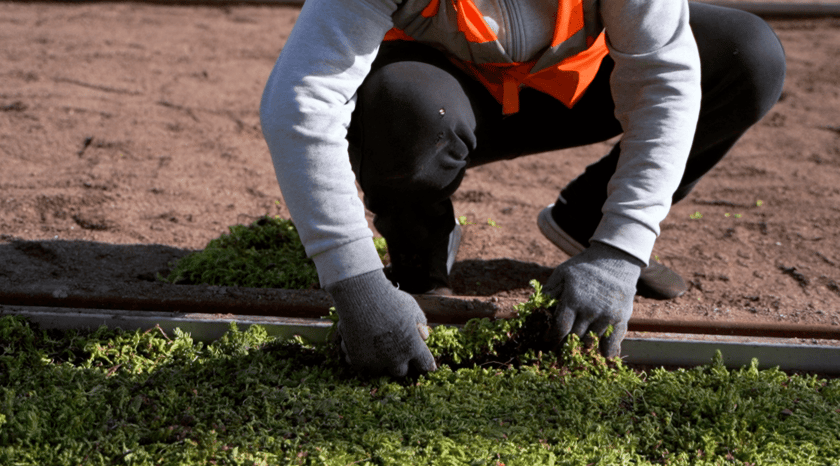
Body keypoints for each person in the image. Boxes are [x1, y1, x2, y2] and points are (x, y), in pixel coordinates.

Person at [260, 0, 786, 376]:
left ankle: (589, 220)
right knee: (403, 111)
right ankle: (418, 247)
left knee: (747, 54)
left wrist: (621, 248)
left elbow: (664, 80)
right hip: (436, 99)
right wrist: (356, 286)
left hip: (569, 86)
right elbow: (302, 99)